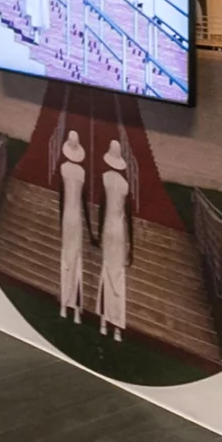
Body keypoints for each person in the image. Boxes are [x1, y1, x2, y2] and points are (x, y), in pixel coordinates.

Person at [96, 139, 131, 340]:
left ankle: (103, 322)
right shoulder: (125, 185)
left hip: (108, 229)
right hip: (119, 231)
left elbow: (102, 209)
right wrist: (131, 245)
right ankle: (117, 327)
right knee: (118, 276)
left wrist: (99, 233)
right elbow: (129, 217)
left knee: (106, 271)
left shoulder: (105, 178)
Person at [55, 128, 89, 320]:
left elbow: (62, 198)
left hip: (67, 217)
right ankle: (76, 308)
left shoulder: (63, 169)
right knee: (76, 259)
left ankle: (64, 305)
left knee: (66, 259)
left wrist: (61, 221)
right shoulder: (82, 172)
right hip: (77, 218)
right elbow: (83, 201)